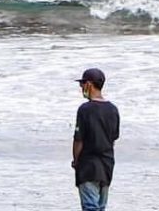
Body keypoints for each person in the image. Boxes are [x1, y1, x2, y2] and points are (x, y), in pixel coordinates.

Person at [71, 67, 120, 211]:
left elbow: (78, 140)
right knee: (101, 207)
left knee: (90, 207)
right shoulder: (113, 109)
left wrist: (76, 161)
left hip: (88, 166)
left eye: (82, 84)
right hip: (107, 166)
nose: (81, 88)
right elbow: (113, 139)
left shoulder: (85, 109)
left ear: (89, 85)